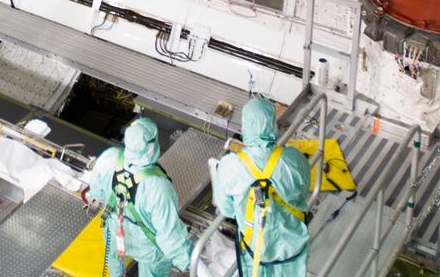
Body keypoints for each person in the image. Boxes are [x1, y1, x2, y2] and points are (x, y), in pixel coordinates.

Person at [210, 97, 310, 276]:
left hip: (255, 247)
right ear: (273, 124)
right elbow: (302, 194)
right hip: (291, 246)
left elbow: (226, 209)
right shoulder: (294, 159)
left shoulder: (229, 166)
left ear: (245, 126)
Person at [83, 116, 192, 277]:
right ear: (152, 145)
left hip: (115, 230)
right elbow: (170, 235)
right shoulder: (158, 187)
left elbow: (97, 193)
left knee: (114, 264)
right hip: (148, 247)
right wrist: (190, 262)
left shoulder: (109, 157)